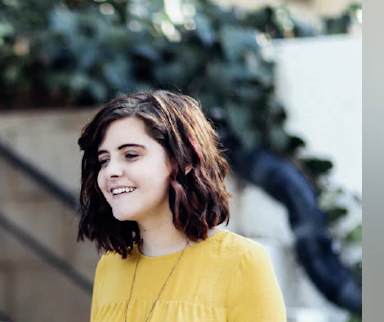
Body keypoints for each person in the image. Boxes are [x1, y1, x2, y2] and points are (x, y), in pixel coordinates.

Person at [77, 90, 286, 322]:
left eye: (131, 155)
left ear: (183, 160)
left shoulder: (242, 262)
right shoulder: (110, 266)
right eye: (104, 160)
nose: (111, 171)